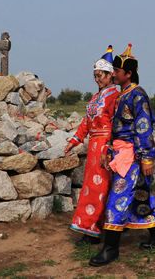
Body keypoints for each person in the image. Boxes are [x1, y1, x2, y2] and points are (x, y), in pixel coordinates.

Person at [90, 44, 155, 267]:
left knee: (117, 198)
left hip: (132, 155)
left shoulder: (137, 96)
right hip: (120, 151)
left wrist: (146, 158)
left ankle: (110, 248)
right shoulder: (120, 96)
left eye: (116, 70)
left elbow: (144, 127)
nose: (113, 73)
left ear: (128, 74)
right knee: (139, 196)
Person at [65, 46, 120, 244]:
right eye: (95, 75)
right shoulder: (95, 98)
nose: (97, 79)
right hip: (94, 147)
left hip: (106, 146)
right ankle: (92, 227)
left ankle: (95, 228)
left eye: (100, 75)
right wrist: (74, 140)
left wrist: (112, 146)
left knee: (103, 187)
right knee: (93, 187)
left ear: (110, 75)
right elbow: (86, 123)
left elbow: (117, 123)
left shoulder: (115, 96)